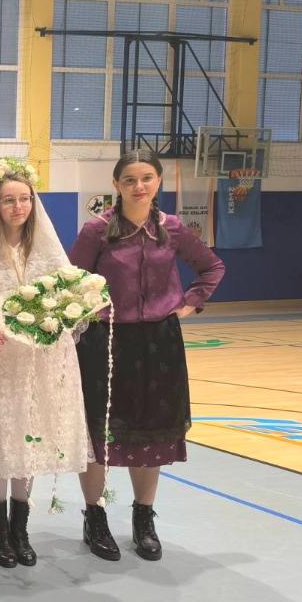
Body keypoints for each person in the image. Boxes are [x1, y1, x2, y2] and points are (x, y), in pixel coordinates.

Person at [70, 149, 225, 561]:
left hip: (159, 342)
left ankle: (144, 518)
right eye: (129, 180)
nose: (139, 186)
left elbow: (212, 267)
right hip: (105, 341)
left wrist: (190, 303)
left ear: (158, 182)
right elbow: (73, 282)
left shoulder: (172, 228)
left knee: (151, 431)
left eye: (147, 178)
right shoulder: (96, 230)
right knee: (100, 431)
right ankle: (94, 516)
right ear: (116, 185)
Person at [0, 159, 90, 568]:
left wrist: (60, 320)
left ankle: (20, 528)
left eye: (24, 199)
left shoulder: (46, 252)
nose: (18, 207)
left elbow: (69, 304)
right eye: (8, 200)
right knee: (0, 441)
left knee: (29, 440)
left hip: (38, 363)